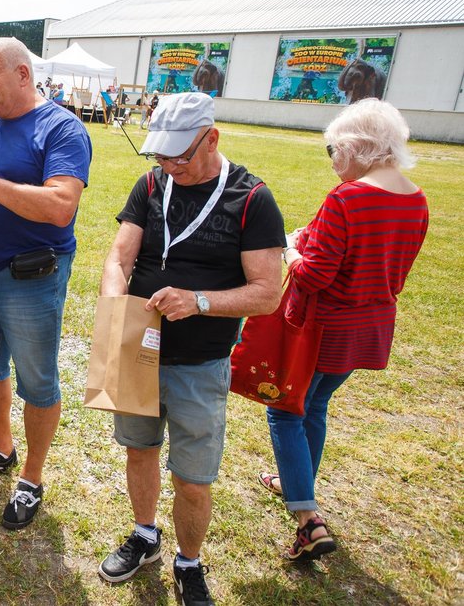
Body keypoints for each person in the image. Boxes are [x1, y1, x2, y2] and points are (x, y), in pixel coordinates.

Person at [96, 92, 285, 604]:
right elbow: (119, 257)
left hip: (199, 363)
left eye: (180, 157)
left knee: (193, 477)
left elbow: (268, 293)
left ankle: (189, 561)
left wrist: (197, 300)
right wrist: (116, 310)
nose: (169, 167)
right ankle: (144, 535)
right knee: (139, 449)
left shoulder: (251, 198)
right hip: (139, 348)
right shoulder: (152, 183)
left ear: (213, 139)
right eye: (161, 156)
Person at [260, 99, 428, 561]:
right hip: (369, 328)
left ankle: (307, 517)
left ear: (357, 148)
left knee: (286, 410)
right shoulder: (415, 197)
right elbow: (387, 263)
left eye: (333, 149)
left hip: (322, 328)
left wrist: (291, 252)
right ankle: (296, 482)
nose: (332, 159)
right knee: (314, 406)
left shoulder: (348, 197)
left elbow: (314, 275)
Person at [0, 37, 92, 530]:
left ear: (23, 75)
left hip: (31, 276)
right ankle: (2, 448)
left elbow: (60, 205)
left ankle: (31, 476)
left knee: (37, 379)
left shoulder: (61, 127)